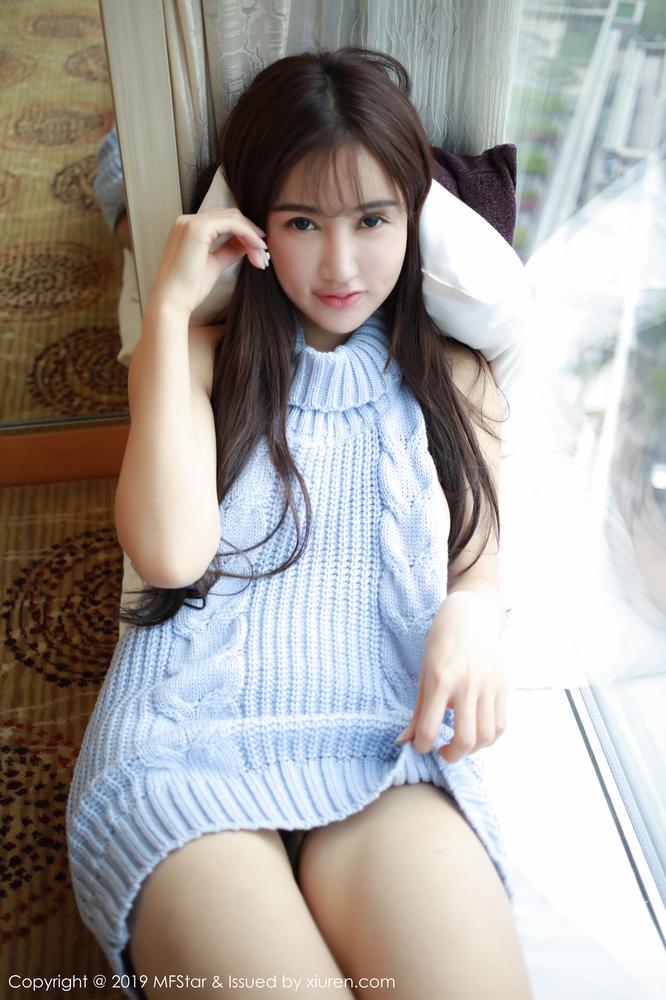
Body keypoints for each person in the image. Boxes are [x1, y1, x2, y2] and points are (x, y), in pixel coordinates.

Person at [69, 47, 533, 999]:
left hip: (382, 741)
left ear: (413, 217)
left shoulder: (459, 378)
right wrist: (167, 311)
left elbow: (481, 570)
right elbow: (168, 555)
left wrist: (471, 613)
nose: (340, 265)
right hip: (186, 752)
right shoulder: (202, 361)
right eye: (302, 222)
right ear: (256, 226)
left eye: (373, 219)